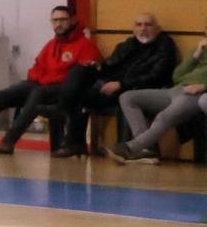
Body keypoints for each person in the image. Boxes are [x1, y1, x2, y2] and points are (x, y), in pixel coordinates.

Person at [0, 4, 97, 154]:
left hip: (60, 90)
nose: (58, 24)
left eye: (62, 20)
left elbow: (78, 77)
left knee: (37, 94)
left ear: (72, 20)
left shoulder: (84, 45)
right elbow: (36, 69)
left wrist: (45, 80)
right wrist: (39, 79)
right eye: (54, 21)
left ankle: (9, 141)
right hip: (39, 84)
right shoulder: (51, 45)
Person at [111, 12, 207, 164]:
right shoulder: (201, 49)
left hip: (199, 95)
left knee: (164, 117)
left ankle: (131, 147)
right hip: (176, 90)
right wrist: (196, 55)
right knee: (128, 97)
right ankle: (146, 149)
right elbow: (177, 76)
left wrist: (203, 86)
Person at [51, 12, 175, 157]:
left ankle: (128, 148)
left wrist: (121, 84)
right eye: (139, 25)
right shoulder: (128, 45)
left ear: (157, 29)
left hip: (141, 89)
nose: (143, 28)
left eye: (148, 24)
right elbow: (109, 65)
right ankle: (75, 143)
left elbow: (156, 76)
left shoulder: (165, 45)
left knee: (124, 97)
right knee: (80, 79)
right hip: (115, 87)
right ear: (133, 29)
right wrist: (94, 68)